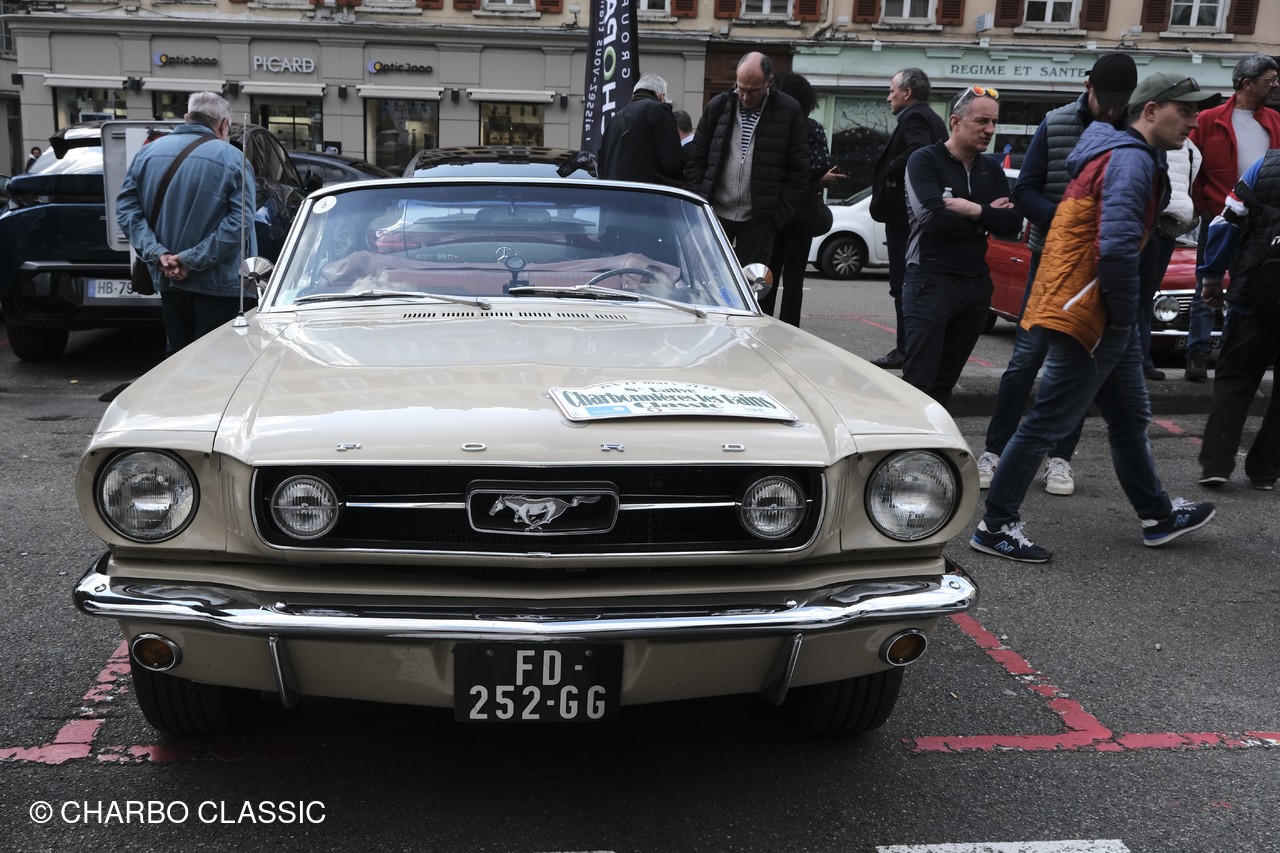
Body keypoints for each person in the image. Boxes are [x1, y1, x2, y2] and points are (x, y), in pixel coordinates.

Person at [970, 73, 1221, 563]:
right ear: (1151, 111)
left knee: (1129, 418)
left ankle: (1157, 515)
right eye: (1184, 110)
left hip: (1092, 305)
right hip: (1092, 310)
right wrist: (1124, 316)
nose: (1194, 121)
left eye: (1195, 111)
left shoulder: (1125, 153)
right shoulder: (1131, 160)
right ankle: (995, 525)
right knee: (1048, 421)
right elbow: (1117, 247)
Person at [978, 54, 1138, 496]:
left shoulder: (1135, 131)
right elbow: (1025, 191)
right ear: (1088, 88)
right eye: (1105, 100)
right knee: (1024, 361)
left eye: (1120, 102)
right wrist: (1069, 222)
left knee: (1077, 366)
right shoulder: (1057, 122)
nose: (1112, 109)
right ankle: (994, 450)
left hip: (1098, 269)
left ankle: (1059, 457)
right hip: (1049, 259)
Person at [899, 85, 1021, 406]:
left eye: (994, 122)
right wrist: (988, 216)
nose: (990, 130)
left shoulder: (990, 168)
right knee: (919, 382)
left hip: (975, 285)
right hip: (930, 279)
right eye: (982, 121)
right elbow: (934, 220)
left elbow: (1012, 222)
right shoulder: (924, 160)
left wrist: (970, 209)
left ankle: (939, 438)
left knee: (944, 384)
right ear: (955, 122)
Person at [116, 91, 257, 356]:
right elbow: (239, 224)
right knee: (216, 361)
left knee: (177, 360)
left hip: (168, 279)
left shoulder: (147, 154)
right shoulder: (233, 159)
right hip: (220, 284)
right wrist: (189, 260)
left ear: (186, 118)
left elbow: (126, 211)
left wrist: (159, 255)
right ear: (223, 124)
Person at [1184, 54, 1280, 382]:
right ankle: (1197, 353)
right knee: (1205, 283)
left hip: (1261, 223)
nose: (1275, 85)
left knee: (1251, 285)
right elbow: (1192, 167)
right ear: (1247, 83)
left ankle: (1237, 354)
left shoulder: (1275, 121)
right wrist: (1202, 206)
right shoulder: (1208, 119)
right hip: (1218, 216)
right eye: (1270, 80)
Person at [1196, 148, 1280, 490]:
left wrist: (1212, 277)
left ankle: (1216, 464)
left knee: (1235, 377)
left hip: (1255, 293)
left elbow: (1226, 220)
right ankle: (1265, 471)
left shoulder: (1265, 166)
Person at [685, 51, 809, 266]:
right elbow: (696, 159)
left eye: (753, 91)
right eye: (740, 89)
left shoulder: (789, 111)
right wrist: (700, 203)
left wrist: (778, 216)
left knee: (752, 281)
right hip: (714, 213)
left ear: (769, 82)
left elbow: (798, 170)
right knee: (708, 277)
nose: (745, 97)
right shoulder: (717, 106)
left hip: (760, 220)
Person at [868, 67, 947, 370]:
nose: (889, 97)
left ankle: (905, 350)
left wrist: (892, 170)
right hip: (918, 218)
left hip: (906, 219)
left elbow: (919, 150)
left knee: (902, 286)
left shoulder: (915, 117)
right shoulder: (932, 117)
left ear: (907, 92)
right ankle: (913, 349)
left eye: (892, 91)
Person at [761, 71, 844, 327]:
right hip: (802, 209)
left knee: (768, 273)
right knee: (794, 276)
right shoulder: (811, 127)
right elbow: (820, 164)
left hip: (774, 209)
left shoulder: (771, 125)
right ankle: (789, 328)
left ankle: (763, 324)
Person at [1138, 137, 1201, 382]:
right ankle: (1140, 361)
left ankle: (1139, 361)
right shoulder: (1186, 145)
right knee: (1142, 298)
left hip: (1156, 221)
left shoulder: (1160, 139)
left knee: (1139, 298)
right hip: (1167, 222)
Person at [597, 73, 684, 187]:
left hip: (612, 192)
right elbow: (673, 163)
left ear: (633, 94)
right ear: (662, 96)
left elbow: (601, 163)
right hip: (645, 192)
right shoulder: (659, 110)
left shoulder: (614, 119)